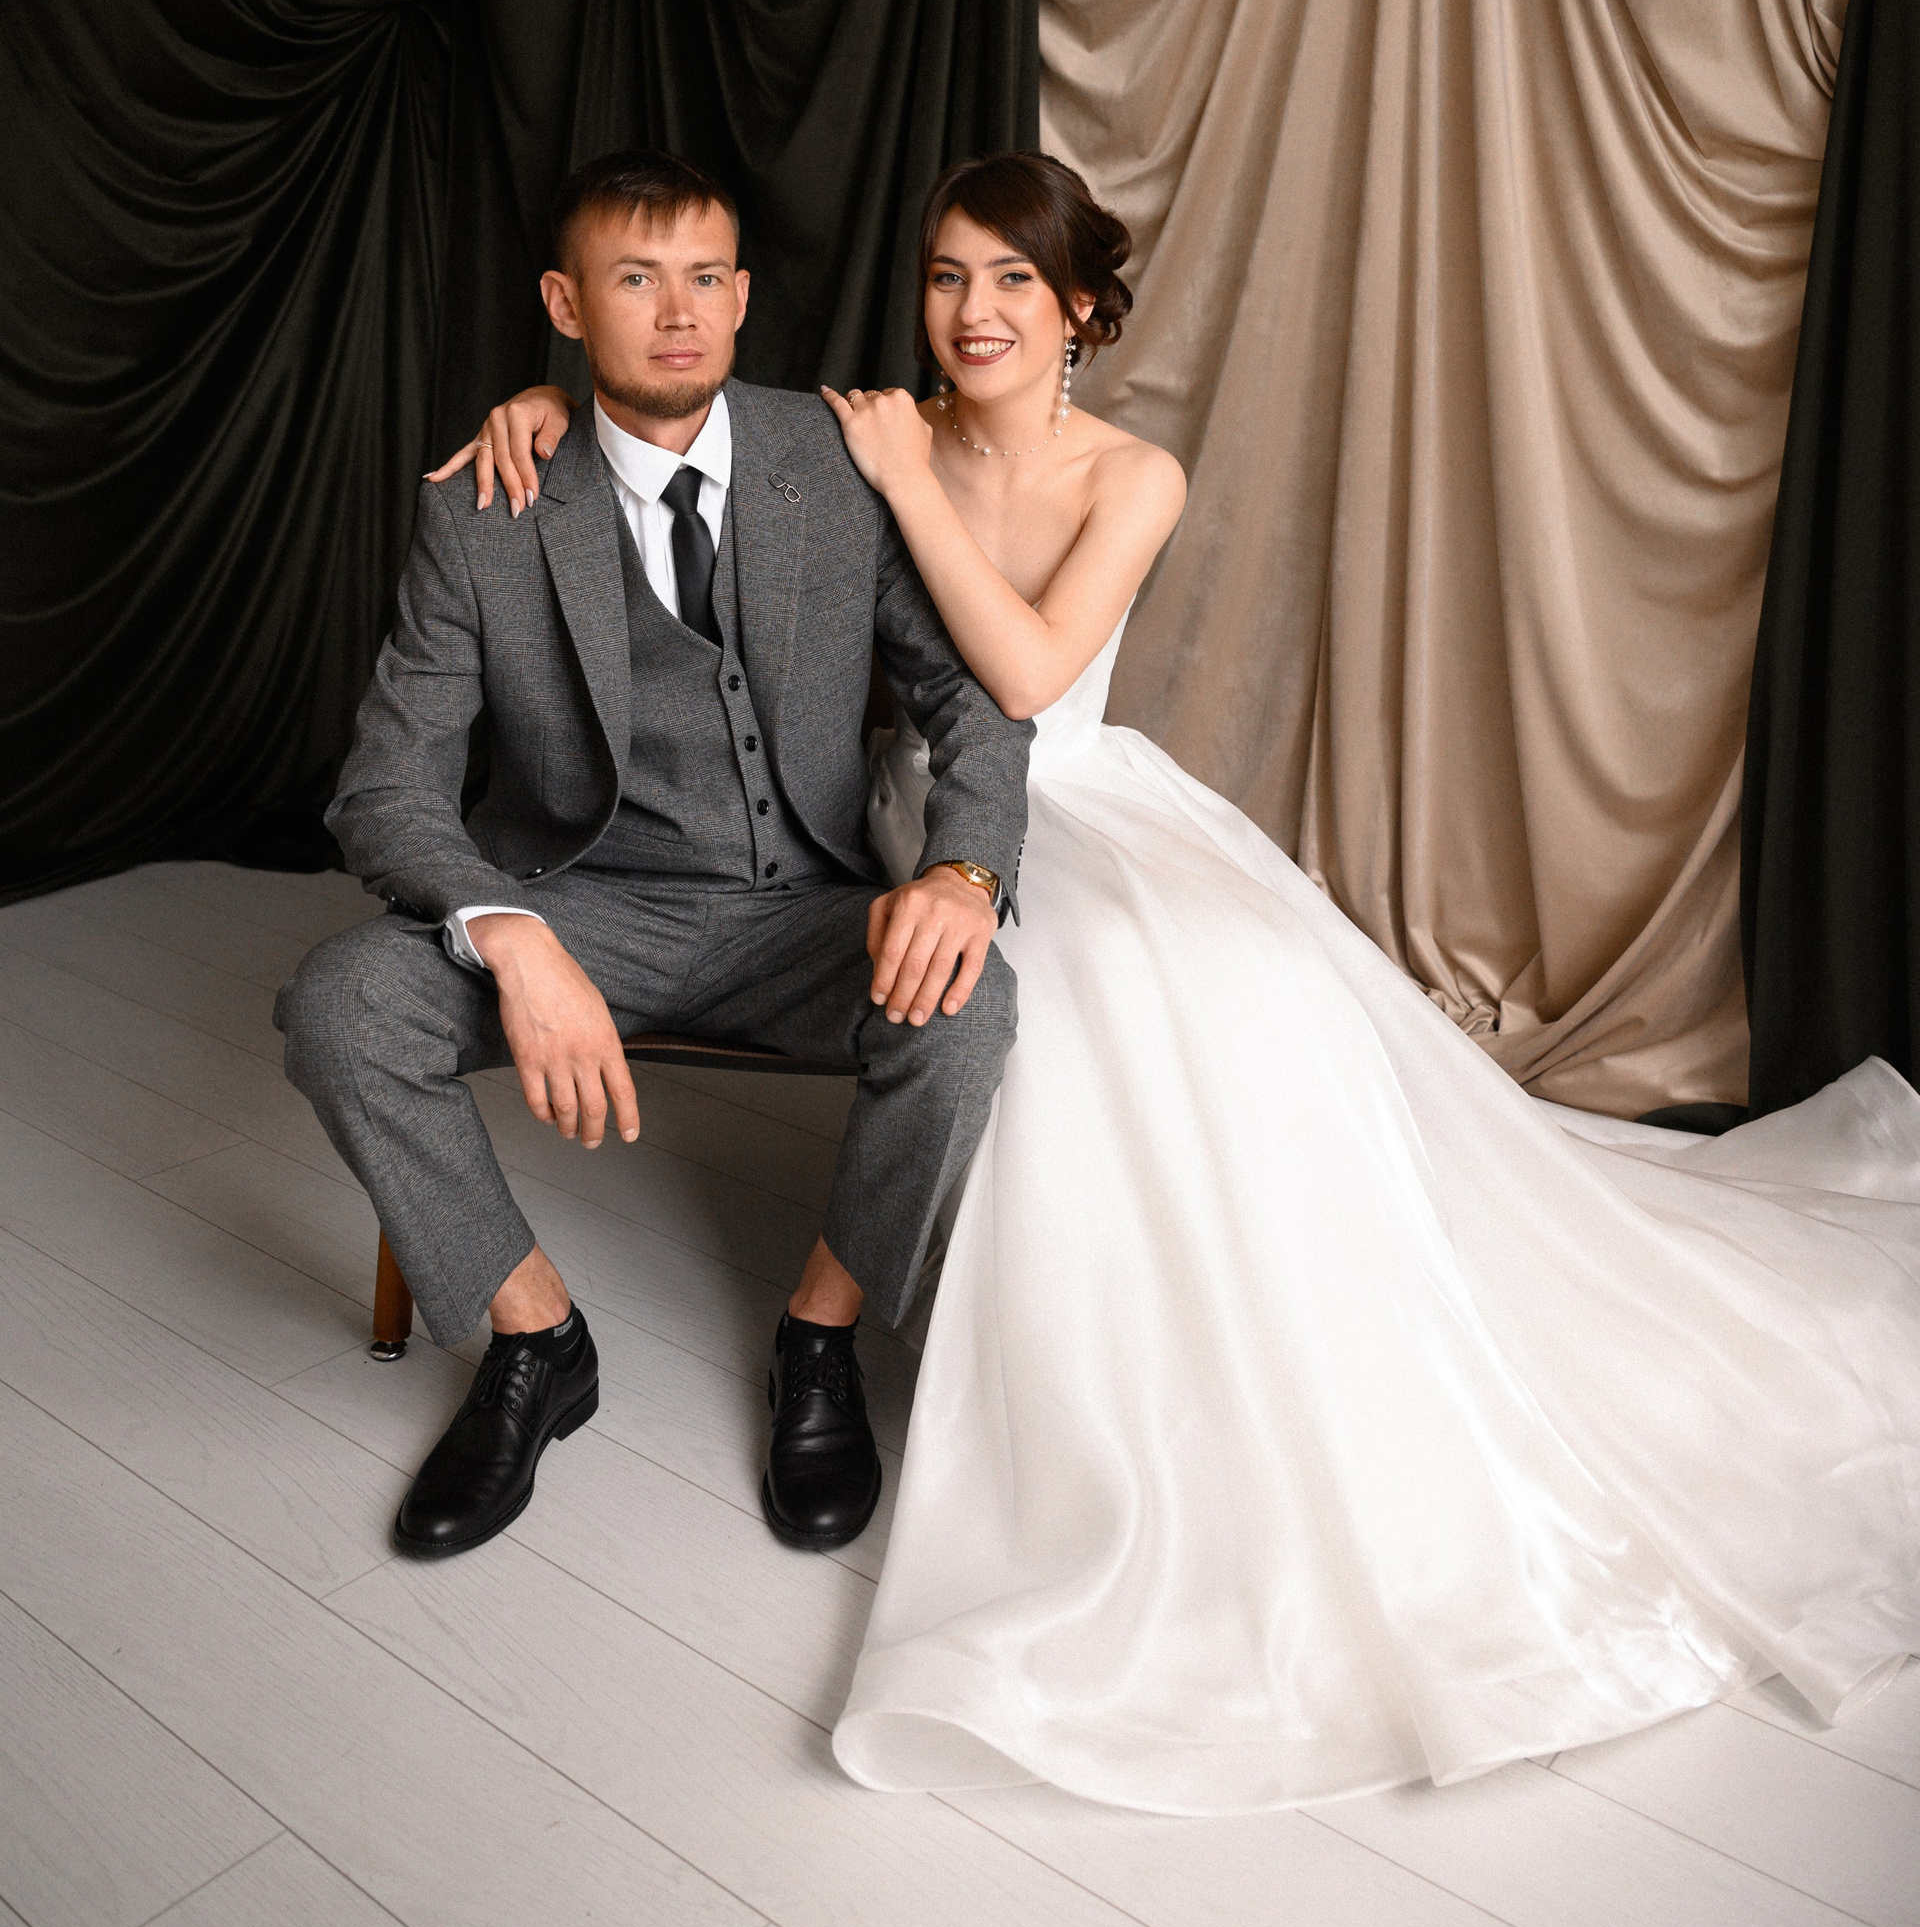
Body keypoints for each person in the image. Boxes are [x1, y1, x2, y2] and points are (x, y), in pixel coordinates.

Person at [452, 150, 1920, 1815]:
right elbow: (681, 417)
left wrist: (907, 484)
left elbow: (1026, 676)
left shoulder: (1123, 473)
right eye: (947, 275)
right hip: (917, 812)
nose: (974, 309)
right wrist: (542, 402)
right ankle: (973, 1382)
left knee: (1215, 969)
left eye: (1015, 279)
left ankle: (1284, 1370)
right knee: (1056, 985)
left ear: (1080, 308)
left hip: (1086, 796)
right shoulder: (868, 433)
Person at [275, 150, 1029, 1564]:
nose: (678, 313)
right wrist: (509, 930)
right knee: (342, 1004)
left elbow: (971, 698)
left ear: (741, 297)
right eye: (635, 279)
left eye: (704, 278)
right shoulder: (485, 504)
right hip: (578, 907)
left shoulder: (836, 462)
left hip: (800, 911)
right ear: (567, 304)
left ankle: (819, 1335)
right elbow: (385, 786)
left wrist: (962, 870)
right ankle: (534, 1338)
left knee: (970, 1005)